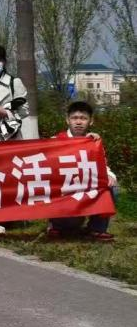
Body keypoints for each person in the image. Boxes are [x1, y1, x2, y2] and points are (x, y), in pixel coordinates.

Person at [47, 101, 117, 241]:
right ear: (67, 120)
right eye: (74, 118)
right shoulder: (55, 141)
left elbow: (102, 165)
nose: (78, 122)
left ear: (91, 121)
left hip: (85, 189)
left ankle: (97, 229)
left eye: (83, 118)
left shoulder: (93, 142)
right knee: (69, 227)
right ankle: (56, 225)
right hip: (64, 191)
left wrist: (110, 176)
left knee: (110, 187)